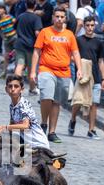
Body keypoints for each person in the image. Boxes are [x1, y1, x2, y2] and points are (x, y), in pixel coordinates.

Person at [31, 7, 82, 143]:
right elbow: (36, 51)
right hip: (46, 69)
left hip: (64, 72)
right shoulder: (45, 32)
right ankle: (43, 124)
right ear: (53, 17)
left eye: (62, 17)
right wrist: (32, 71)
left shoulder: (70, 35)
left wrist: (79, 68)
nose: (59, 19)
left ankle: (52, 132)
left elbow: (75, 53)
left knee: (57, 102)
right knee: (46, 96)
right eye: (57, 16)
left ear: (65, 18)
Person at [69, 15, 104, 139]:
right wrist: (80, 64)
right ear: (84, 26)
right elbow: (71, 55)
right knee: (78, 102)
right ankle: (73, 119)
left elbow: (101, 61)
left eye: (92, 25)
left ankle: (91, 130)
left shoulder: (99, 42)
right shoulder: (78, 40)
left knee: (94, 104)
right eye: (88, 25)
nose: (90, 28)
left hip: (95, 76)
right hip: (82, 75)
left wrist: (103, 78)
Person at [0, 74, 50, 149]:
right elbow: (11, 127)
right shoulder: (12, 105)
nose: (13, 89)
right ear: (6, 89)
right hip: (25, 141)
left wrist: (3, 127)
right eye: (10, 86)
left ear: (22, 89)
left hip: (37, 144)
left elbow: (25, 126)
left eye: (16, 86)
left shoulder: (23, 105)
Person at [14, 0, 42, 94]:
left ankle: (15, 86)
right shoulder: (36, 18)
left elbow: (15, 28)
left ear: (26, 5)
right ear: (35, 6)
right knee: (32, 69)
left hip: (19, 44)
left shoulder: (20, 16)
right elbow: (37, 33)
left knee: (20, 65)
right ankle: (32, 88)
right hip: (31, 47)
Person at [0, 4, 17, 79]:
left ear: (4, 10)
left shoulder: (10, 17)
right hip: (7, 40)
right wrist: (3, 37)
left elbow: (16, 24)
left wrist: (16, 34)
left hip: (14, 37)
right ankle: (4, 72)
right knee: (6, 57)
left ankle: (18, 72)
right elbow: (0, 31)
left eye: (0, 9)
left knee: (17, 54)